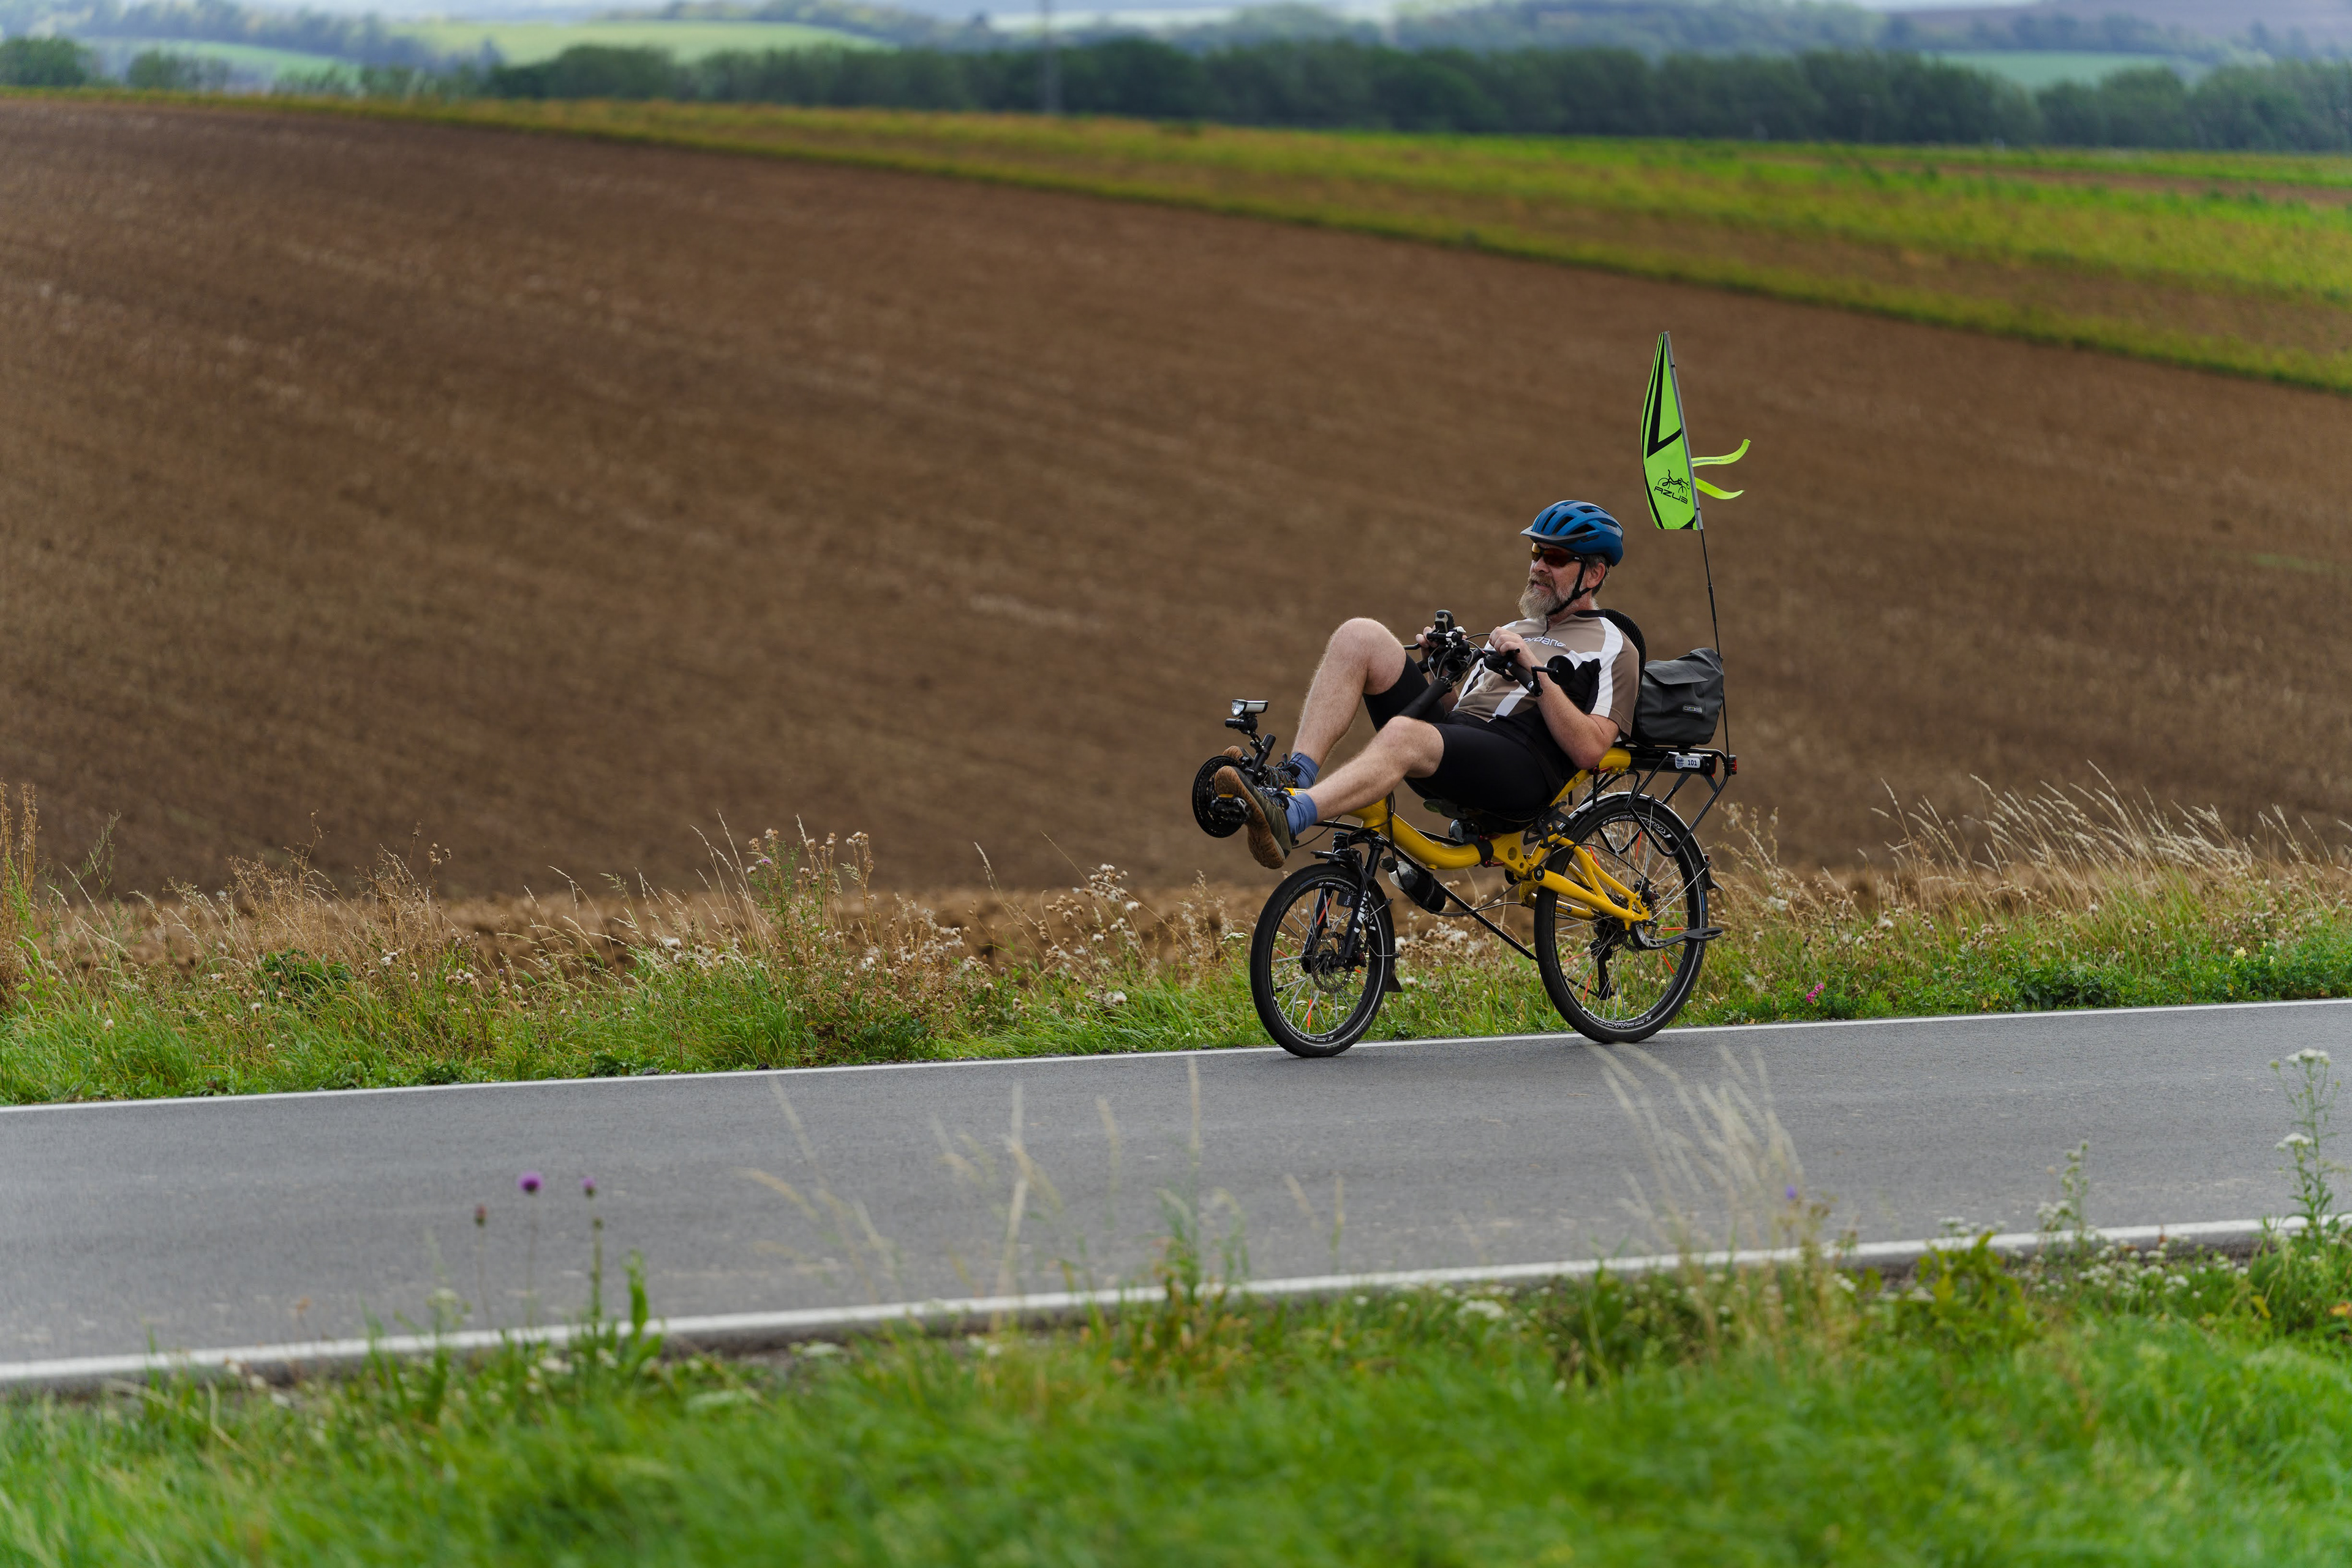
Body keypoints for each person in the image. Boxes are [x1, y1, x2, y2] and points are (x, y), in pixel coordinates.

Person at [1215, 500, 1640, 870]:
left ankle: (1290, 817)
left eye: (1557, 557)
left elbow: (1591, 748)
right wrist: (1439, 667)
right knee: (1360, 635)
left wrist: (1533, 668)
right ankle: (1294, 777)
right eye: (1536, 552)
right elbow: (1460, 718)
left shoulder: (1615, 646)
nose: (1539, 566)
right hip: (1467, 749)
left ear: (1594, 573)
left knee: (1405, 734)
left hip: (1525, 771)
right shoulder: (1518, 627)